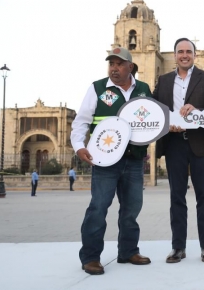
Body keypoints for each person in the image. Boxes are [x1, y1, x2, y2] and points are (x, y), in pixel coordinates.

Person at [71, 47, 152, 275]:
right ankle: (90, 257)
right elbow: (81, 122)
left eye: (119, 64)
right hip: (105, 161)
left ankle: (128, 251)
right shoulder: (97, 88)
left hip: (134, 160)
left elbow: (152, 120)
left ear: (130, 67)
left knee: (131, 209)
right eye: (111, 64)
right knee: (98, 208)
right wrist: (79, 147)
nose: (114, 68)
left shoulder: (144, 90)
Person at [152, 38, 204, 264]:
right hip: (174, 144)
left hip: (200, 143)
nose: (184, 55)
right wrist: (166, 123)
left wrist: (197, 110)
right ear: (174, 55)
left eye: (188, 51)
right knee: (176, 197)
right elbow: (156, 110)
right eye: (180, 51)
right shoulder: (163, 81)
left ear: (194, 55)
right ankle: (177, 247)